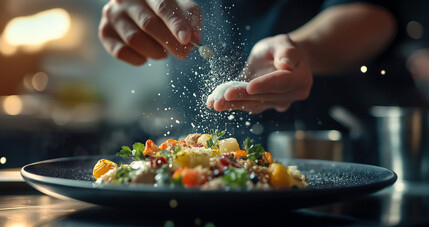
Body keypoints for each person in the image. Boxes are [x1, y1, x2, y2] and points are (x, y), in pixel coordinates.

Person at [98, 0, 396, 115]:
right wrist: (126, 8)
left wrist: (300, 49)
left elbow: (376, 16)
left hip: (323, 150)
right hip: (186, 156)